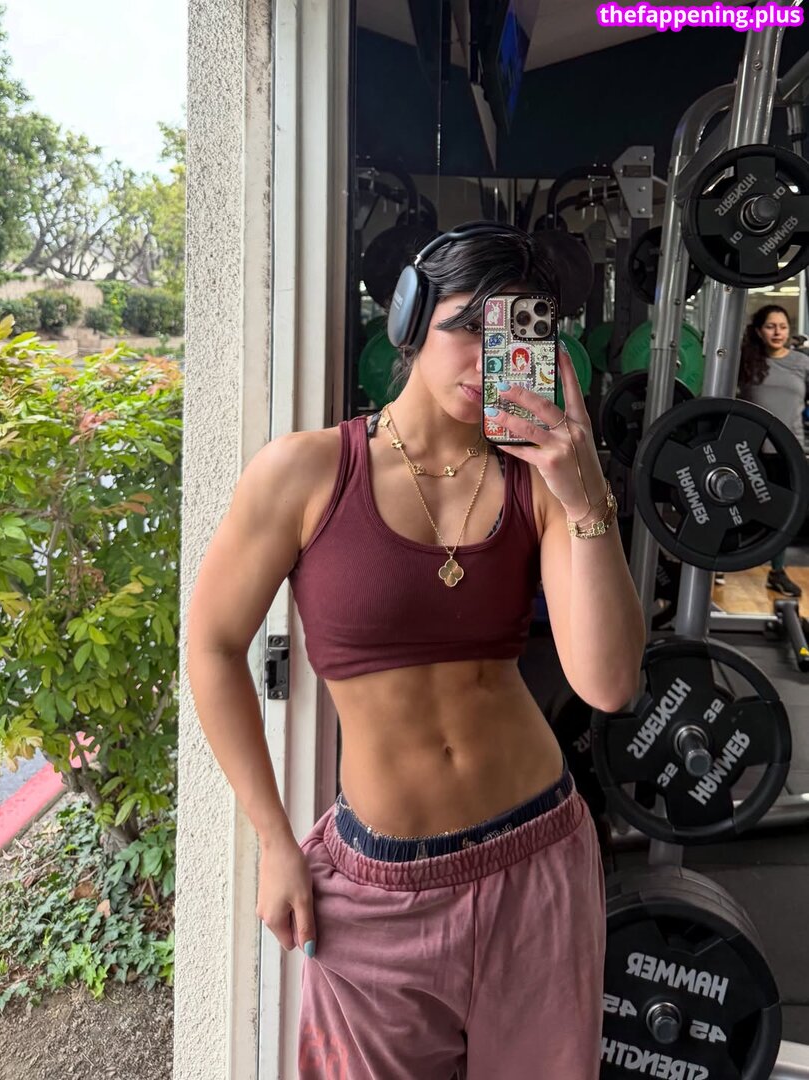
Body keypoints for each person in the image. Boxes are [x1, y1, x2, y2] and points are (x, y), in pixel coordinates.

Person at [186, 222, 646, 1079]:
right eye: (469, 326)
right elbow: (212, 646)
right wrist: (273, 841)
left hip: (538, 859)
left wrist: (586, 497)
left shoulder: (538, 482)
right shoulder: (306, 472)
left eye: (513, 335)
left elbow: (610, 683)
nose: (486, 357)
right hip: (377, 890)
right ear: (409, 318)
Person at [738, 304, 809, 599]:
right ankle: (716, 567)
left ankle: (777, 572)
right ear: (758, 331)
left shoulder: (802, 363)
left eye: (782, 326)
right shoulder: (746, 362)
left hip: (790, 451)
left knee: (784, 513)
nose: (777, 332)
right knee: (738, 508)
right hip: (749, 451)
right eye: (770, 326)